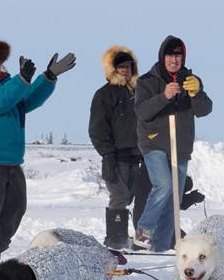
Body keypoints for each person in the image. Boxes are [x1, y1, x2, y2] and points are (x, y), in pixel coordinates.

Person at [0, 35, 75, 277]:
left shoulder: (6, 84)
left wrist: (47, 78)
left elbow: (26, 100)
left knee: (13, 211)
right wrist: (21, 81)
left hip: (9, 160)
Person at [133, 36, 212, 251]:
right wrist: (164, 96)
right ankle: (143, 232)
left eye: (178, 55)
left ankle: (161, 248)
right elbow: (142, 112)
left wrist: (197, 93)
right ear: (162, 56)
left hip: (181, 146)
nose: (174, 60)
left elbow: (204, 110)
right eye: (170, 55)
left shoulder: (191, 80)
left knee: (174, 200)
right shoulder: (147, 81)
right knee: (164, 185)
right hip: (153, 143)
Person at [89, 46, 142, 249]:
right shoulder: (104, 95)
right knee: (119, 197)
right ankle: (115, 239)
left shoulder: (139, 92)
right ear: (113, 69)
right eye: (121, 67)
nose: (125, 70)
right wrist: (107, 154)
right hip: (115, 157)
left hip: (136, 156)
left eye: (128, 66)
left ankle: (136, 239)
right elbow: (96, 129)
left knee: (133, 197)